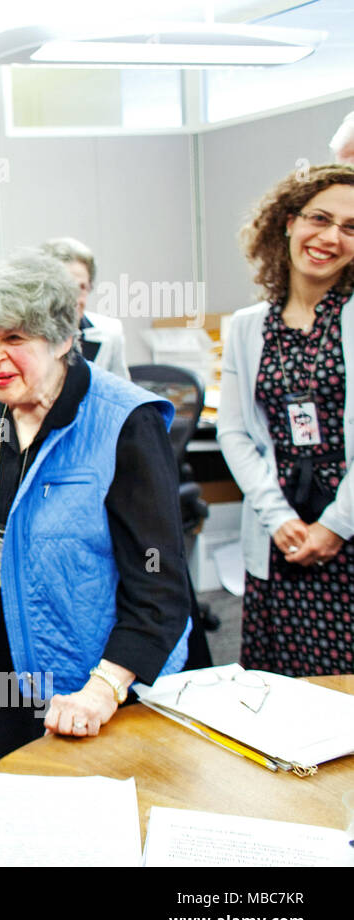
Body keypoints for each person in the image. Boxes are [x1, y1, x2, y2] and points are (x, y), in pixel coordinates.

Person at [0, 253, 191, 766]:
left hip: (102, 683)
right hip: (3, 671)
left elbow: (161, 587)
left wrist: (102, 690)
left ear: (64, 339)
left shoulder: (125, 424)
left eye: (14, 339)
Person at [218, 165, 354, 676]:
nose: (330, 237)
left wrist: (336, 526)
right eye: (320, 218)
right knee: (279, 701)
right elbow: (233, 430)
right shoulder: (248, 327)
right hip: (283, 542)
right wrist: (278, 518)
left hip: (346, 535)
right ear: (289, 222)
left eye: (350, 227)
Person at [41, 237, 129, 379]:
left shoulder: (111, 332)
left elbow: (124, 395)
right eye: (66, 288)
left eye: (81, 287)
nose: (74, 298)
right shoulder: (25, 338)